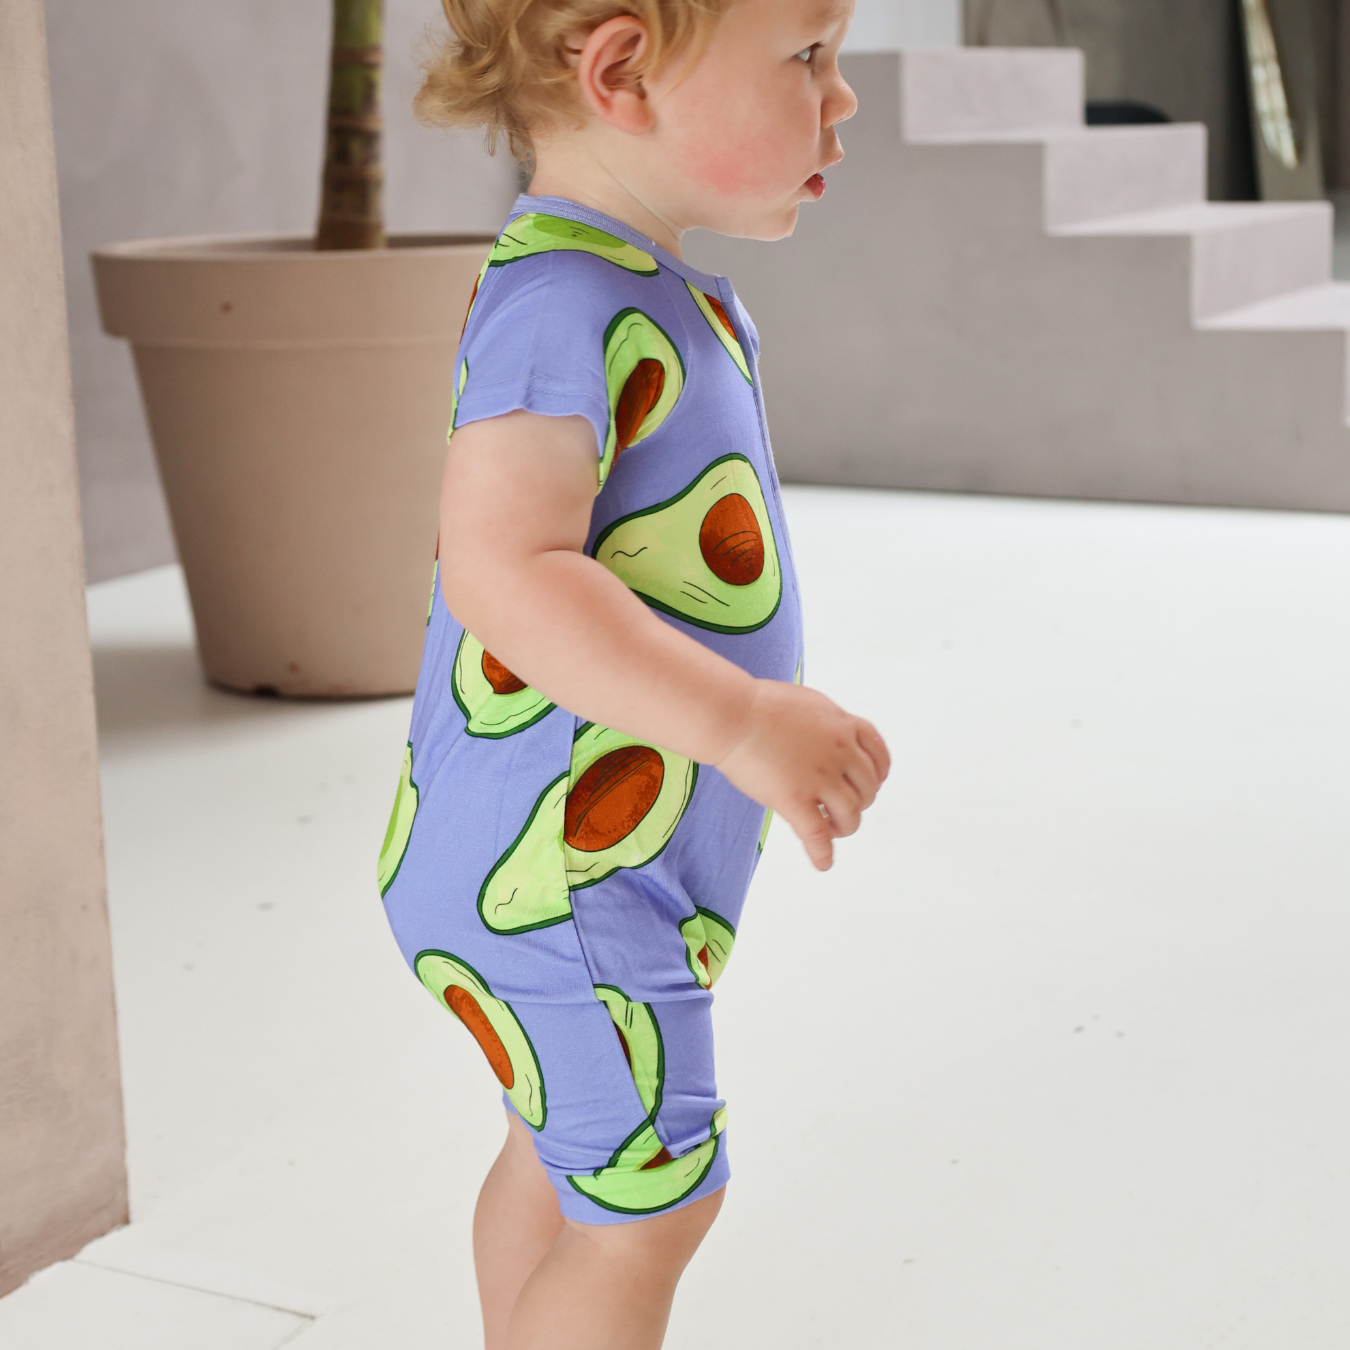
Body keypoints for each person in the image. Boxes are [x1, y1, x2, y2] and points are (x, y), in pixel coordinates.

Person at [376, 1, 888, 1345]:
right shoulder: (562, 304)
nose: (841, 97)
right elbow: (505, 570)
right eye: (807, 56)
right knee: (650, 1210)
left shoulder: (629, 284)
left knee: (565, 1165)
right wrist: (745, 720)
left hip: (582, 868)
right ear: (622, 73)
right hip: (566, 881)